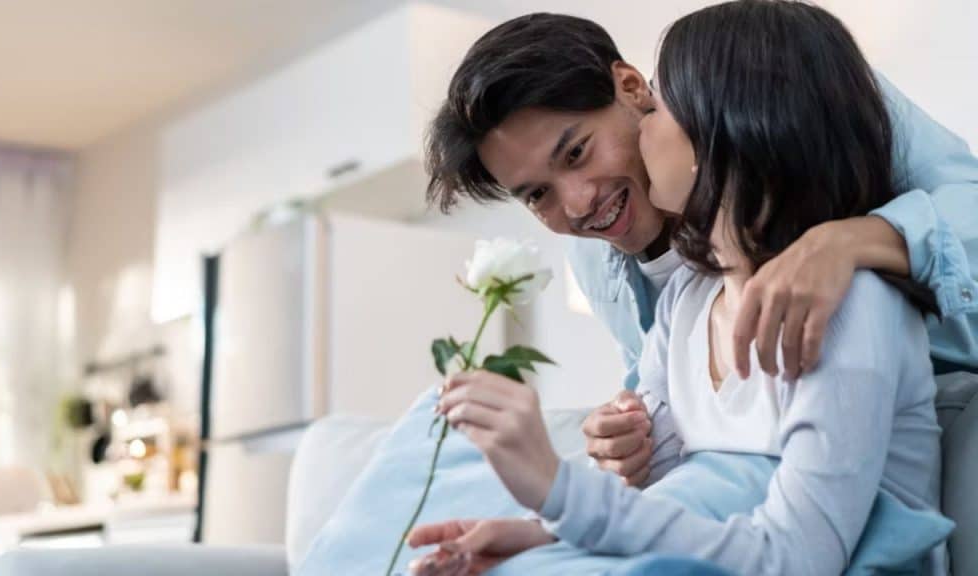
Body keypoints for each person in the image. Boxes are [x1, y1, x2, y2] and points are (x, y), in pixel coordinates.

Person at [409, 2, 954, 574]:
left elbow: (790, 553)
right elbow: (673, 490)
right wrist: (545, 531)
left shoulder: (846, 301)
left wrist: (557, 490)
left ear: (731, 124)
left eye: (576, 152)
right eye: (537, 194)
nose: (578, 203)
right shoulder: (681, 299)